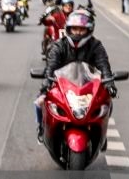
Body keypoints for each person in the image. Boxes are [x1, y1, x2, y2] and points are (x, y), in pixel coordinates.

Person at [35, 9, 114, 142]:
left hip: (89, 86)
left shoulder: (96, 46)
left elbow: (103, 65)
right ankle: (41, 127)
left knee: (107, 102)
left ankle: (102, 134)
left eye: (81, 29)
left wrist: (109, 83)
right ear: (68, 29)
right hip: (63, 86)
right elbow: (51, 66)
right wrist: (46, 84)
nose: (77, 33)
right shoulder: (59, 46)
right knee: (39, 102)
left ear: (89, 30)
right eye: (74, 29)